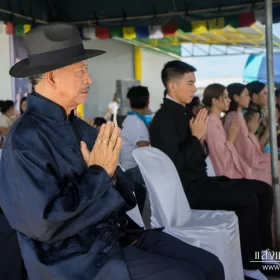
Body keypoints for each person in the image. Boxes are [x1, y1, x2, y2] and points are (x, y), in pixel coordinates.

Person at [0, 23, 224, 280]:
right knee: (188, 276)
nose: (89, 79)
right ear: (52, 76)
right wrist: (99, 174)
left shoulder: (80, 128)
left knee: (210, 265)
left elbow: (120, 187)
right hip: (75, 257)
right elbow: (43, 224)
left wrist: (111, 176)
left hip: (116, 235)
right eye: (81, 71)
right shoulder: (26, 138)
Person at [149, 60, 277, 280]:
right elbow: (174, 163)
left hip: (202, 181)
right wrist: (196, 137)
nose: (193, 88)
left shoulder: (185, 113)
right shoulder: (163, 119)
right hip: (187, 189)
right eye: (190, 83)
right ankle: (249, 266)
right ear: (172, 86)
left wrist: (197, 141)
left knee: (263, 190)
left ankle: (261, 254)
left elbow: (200, 156)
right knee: (247, 200)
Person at [203, 83, 271, 184]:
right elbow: (247, 156)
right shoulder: (224, 120)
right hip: (231, 175)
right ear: (214, 101)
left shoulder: (220, 120)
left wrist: (250, 133)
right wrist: (232, 138)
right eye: (225, 97)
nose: (229, 100)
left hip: (239, 169)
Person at [244, 81, 270, 151]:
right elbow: (258, 147)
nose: (268, 96)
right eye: (265, 93)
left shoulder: (257, 112)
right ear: (255, 96)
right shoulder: (251, 116)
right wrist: (270, 127)